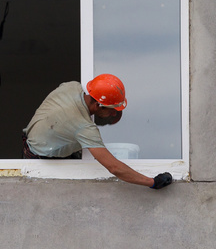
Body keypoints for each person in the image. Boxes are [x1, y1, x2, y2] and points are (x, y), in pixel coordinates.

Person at [22, 74, 173, 189]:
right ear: (98, 106)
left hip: (33, 137)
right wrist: (152, 182)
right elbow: (114, 167)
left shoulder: (71, 86)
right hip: (39, 159)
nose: (114, 114)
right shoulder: (85, 127)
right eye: (112, 110)